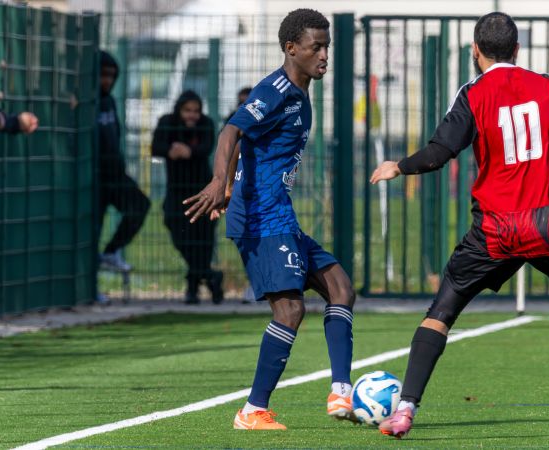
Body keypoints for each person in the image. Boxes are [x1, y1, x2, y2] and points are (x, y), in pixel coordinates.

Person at [370, 12, 549, 439]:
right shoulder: (547, 86)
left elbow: (439, 152)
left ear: (475, 51)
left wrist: (399, 166)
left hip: (495, 231)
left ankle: (404, 410)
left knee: (441, 311)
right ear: (517, 49)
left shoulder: (473, 93)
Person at [183, 9, 357, 430]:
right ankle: (252, 410)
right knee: (290, 310)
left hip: (278, 212)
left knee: (341, 288)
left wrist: (231, 185)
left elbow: (250, 139)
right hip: (260, 218)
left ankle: (341, 392)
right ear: (291, 48)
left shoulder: (300, 93)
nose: (324, 56)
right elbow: (232, 131)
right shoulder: (275, 90)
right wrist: (220, 180)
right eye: (316, 47)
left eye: (327, 47)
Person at [152, 90, 223, 304]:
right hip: (177, 190)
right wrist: (171, 149)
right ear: (179, 110)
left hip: (203, 191)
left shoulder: (206, 124)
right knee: (176, 228)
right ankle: (210, 276)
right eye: (187, 110)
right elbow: (156, 147)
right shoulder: (167, 122)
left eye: (196, 111)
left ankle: (193, 288)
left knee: (203, 239)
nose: (192, 115)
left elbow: (206, 147)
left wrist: (188, 151)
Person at [96, 50, 151, 275]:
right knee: (91, 230)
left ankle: (111, 252)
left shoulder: (108, 101)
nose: (107, 81)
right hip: (94, 177)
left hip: (115, 174)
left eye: (111, 76)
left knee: (140, 205)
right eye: (103, 75)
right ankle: (90, 284)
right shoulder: (85, 101)